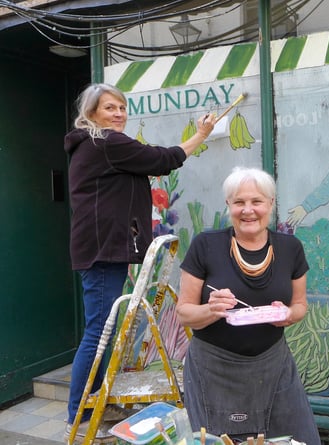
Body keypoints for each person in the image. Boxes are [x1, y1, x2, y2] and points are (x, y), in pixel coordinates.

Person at [64, 83, 216, 440]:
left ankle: (94, 402)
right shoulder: (106, 143)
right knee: (98, 332)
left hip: (100, 248)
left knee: (102, 328)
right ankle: (79, 415)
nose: (118, 114)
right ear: (91, 114)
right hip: (102, 251)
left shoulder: (95, 146)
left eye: (121, 107)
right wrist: (201, 135)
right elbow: (164, 160)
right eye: (109, 108)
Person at [176, 166, 320, 443]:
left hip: (273, 365)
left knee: (296, 438)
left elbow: (301, 304)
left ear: (271, 204)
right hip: (213, 368)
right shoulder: (205, 245)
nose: (248, 210)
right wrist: (211, 309)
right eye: (239, 202)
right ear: (229, 205)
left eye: (256, 202)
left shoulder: (290, 248)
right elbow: (184, 313)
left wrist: (288, 314)